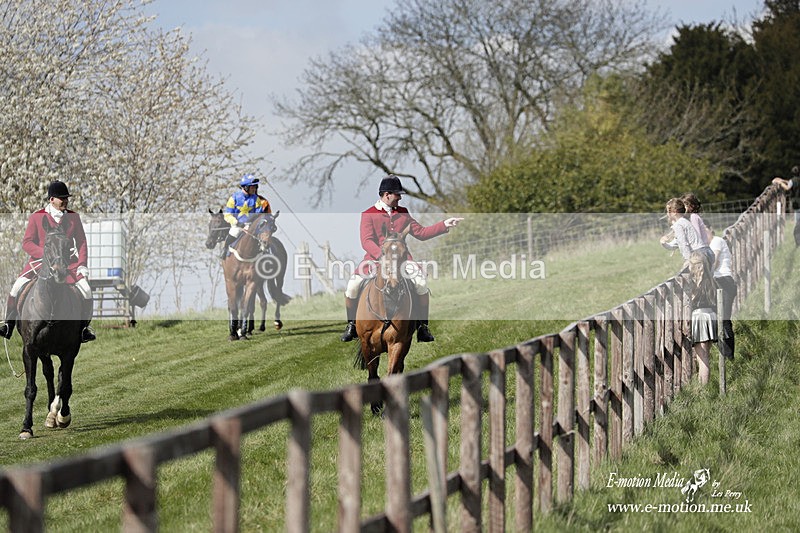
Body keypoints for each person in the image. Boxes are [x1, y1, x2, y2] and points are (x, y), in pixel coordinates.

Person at [340, 175, 463, 343]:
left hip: (403, 261)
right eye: (397, 194)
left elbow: (421, 233)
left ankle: (422, 326)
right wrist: (381, 256)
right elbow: (366, 241)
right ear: (387, 194)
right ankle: (352, 325)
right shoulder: (368, 214)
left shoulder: (403, 213)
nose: (400, 198)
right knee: (352, 286)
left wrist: (444, 225)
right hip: (375, 260)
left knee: (421, 283)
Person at [0, 181, 96, 342]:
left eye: (66, 198)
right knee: (16, 287)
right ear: (51, 199)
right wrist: (45, 255)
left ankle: (83, 329)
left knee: (86, 290)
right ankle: (8, 324)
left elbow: (81, 243)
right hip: (39, 263)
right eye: (61, 198)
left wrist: (82, 264)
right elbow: (27, 243)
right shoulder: (37, 217)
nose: (65, 201)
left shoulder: (73, 217)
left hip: (68, 264)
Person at [220, 173, 272, 259]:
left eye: (255, 187)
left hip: (251, 225)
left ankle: (266, 253)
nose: (254, 189)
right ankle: (225, 250)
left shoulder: (256, 199)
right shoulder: (234, 198)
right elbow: (227, 215)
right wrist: (236, 222)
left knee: (263, 236)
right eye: (252, 187)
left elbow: (259, 214)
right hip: (238, 225)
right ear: (246, 187)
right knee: (233, 233)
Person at [688, 251, 718, 385]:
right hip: (710, 316)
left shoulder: (693, 283)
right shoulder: (710, 279)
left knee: (703, 358)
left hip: (699, 318)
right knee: (705, 355)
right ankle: (703, 385)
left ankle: (703, 389)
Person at [707, 223, 736, 360]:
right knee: (715, 318)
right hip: (716, 283)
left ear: (710, 229)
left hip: (724, 282)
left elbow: (715, 262)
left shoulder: (716, 241)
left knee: (723, 319)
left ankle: (729, 357)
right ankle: (724, 354)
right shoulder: (707, 246)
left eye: (704, 230)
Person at [660, 198, 714, 268]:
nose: (667, 214)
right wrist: (663, 243)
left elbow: (684, 244)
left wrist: (688, 261)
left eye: (668, 211)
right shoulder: (684, 222)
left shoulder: (679, 225)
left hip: (698, 255)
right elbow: (674, 245)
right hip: (706, 252)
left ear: (675, 212)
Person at [771, 165, 800, 245]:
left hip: (797, 205)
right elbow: (791, 183)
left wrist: (780, 183)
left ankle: (798, 244)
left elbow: (787, 187)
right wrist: (782, 180)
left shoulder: (793, 181)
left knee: (797, 227)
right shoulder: (796, 180)